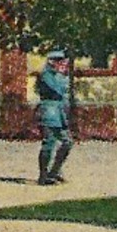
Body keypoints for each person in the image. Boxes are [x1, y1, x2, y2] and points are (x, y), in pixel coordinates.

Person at [34, 50, 75, 185]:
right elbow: (58, 89)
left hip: (60, 114)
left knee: (67, 142)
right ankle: (44, 175)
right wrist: (62, 76)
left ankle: (55, 171)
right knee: (49, 143)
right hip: (49, 113)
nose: (63, 64)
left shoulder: (59, 75)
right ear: (52, 62)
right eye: (60, 62)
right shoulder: (46, 75)